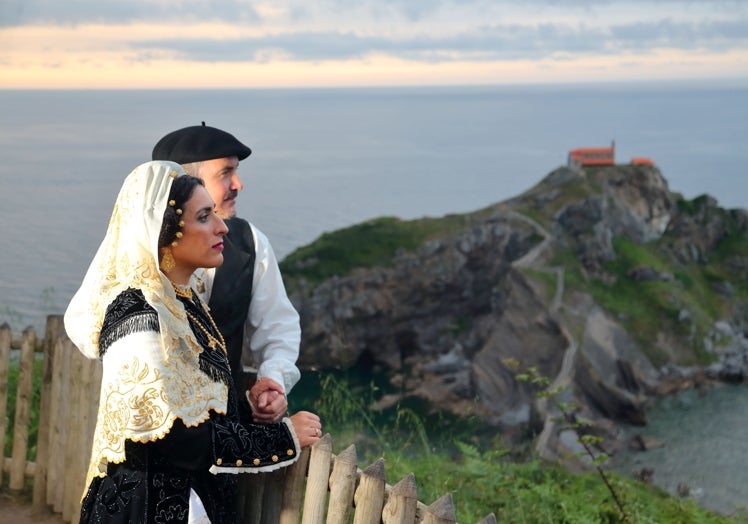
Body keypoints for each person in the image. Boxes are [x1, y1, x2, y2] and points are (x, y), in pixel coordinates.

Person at [64, 161, 322, 523]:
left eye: (215, 214)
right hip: (152, 507)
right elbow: (173, 436)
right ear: (165, 232)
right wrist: (282, 437)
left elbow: (192, 403)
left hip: (194, 499)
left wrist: (249, 409)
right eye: (204, 217)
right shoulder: (139, 315)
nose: (222, 227)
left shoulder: (181, 302)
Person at [152, 123, 298, 424]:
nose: (238, 184)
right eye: (225, 173)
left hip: (225, 427)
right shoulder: (140, 251)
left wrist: (272, 380)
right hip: (154, 427)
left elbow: (278, 327)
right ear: (185, 182)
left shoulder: (250, 242)